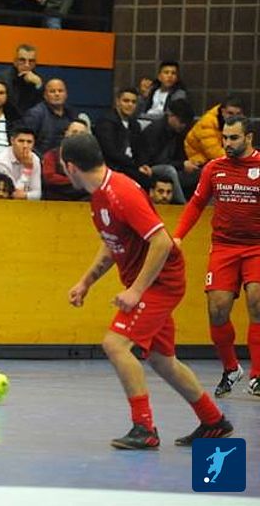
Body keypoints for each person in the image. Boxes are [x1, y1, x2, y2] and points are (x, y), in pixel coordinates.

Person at [61, 132, 232, 449]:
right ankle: (214, 421)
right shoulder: (99, 196)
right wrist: (86, 281)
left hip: (161, 282)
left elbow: (162, 242)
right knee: (162, 359)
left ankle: (145, 428)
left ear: (70, 166)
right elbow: (112, 243)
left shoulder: (121, 192)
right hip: (149, 282)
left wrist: (137, 291)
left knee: (115, 344)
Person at [173, 116, 260, 398]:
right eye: (224, 138)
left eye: (234, 138)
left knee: (257, 301)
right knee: (217, 310)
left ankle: (258, 375)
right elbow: (196, 203)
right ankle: (231, 368)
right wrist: (178, 236)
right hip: (224, 247)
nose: (227, 143)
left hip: (257, 247)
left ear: (249, 137)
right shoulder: (214, 168)